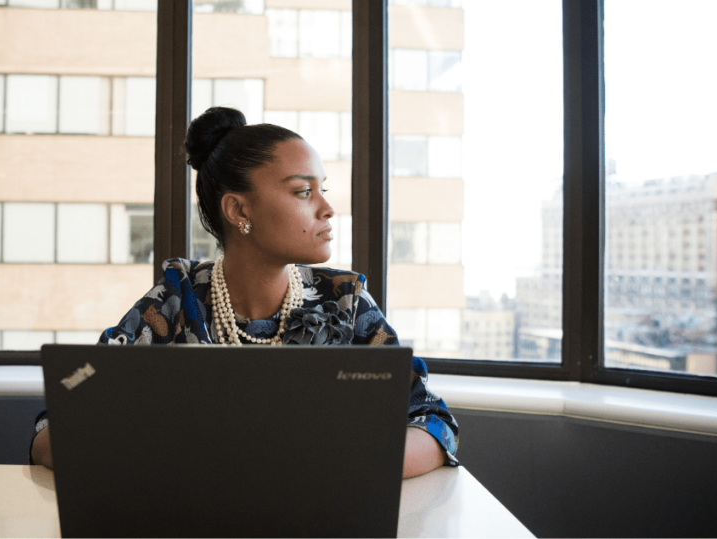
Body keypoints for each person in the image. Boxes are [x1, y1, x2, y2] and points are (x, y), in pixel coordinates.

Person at [30, 107, 459, 478]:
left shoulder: (346, 302)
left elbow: (434, 422)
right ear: (238, 210)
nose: (327, 208)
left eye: (322, 189)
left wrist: (336, 464)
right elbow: (55, 425)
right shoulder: (176, 300)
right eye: (303, 191)